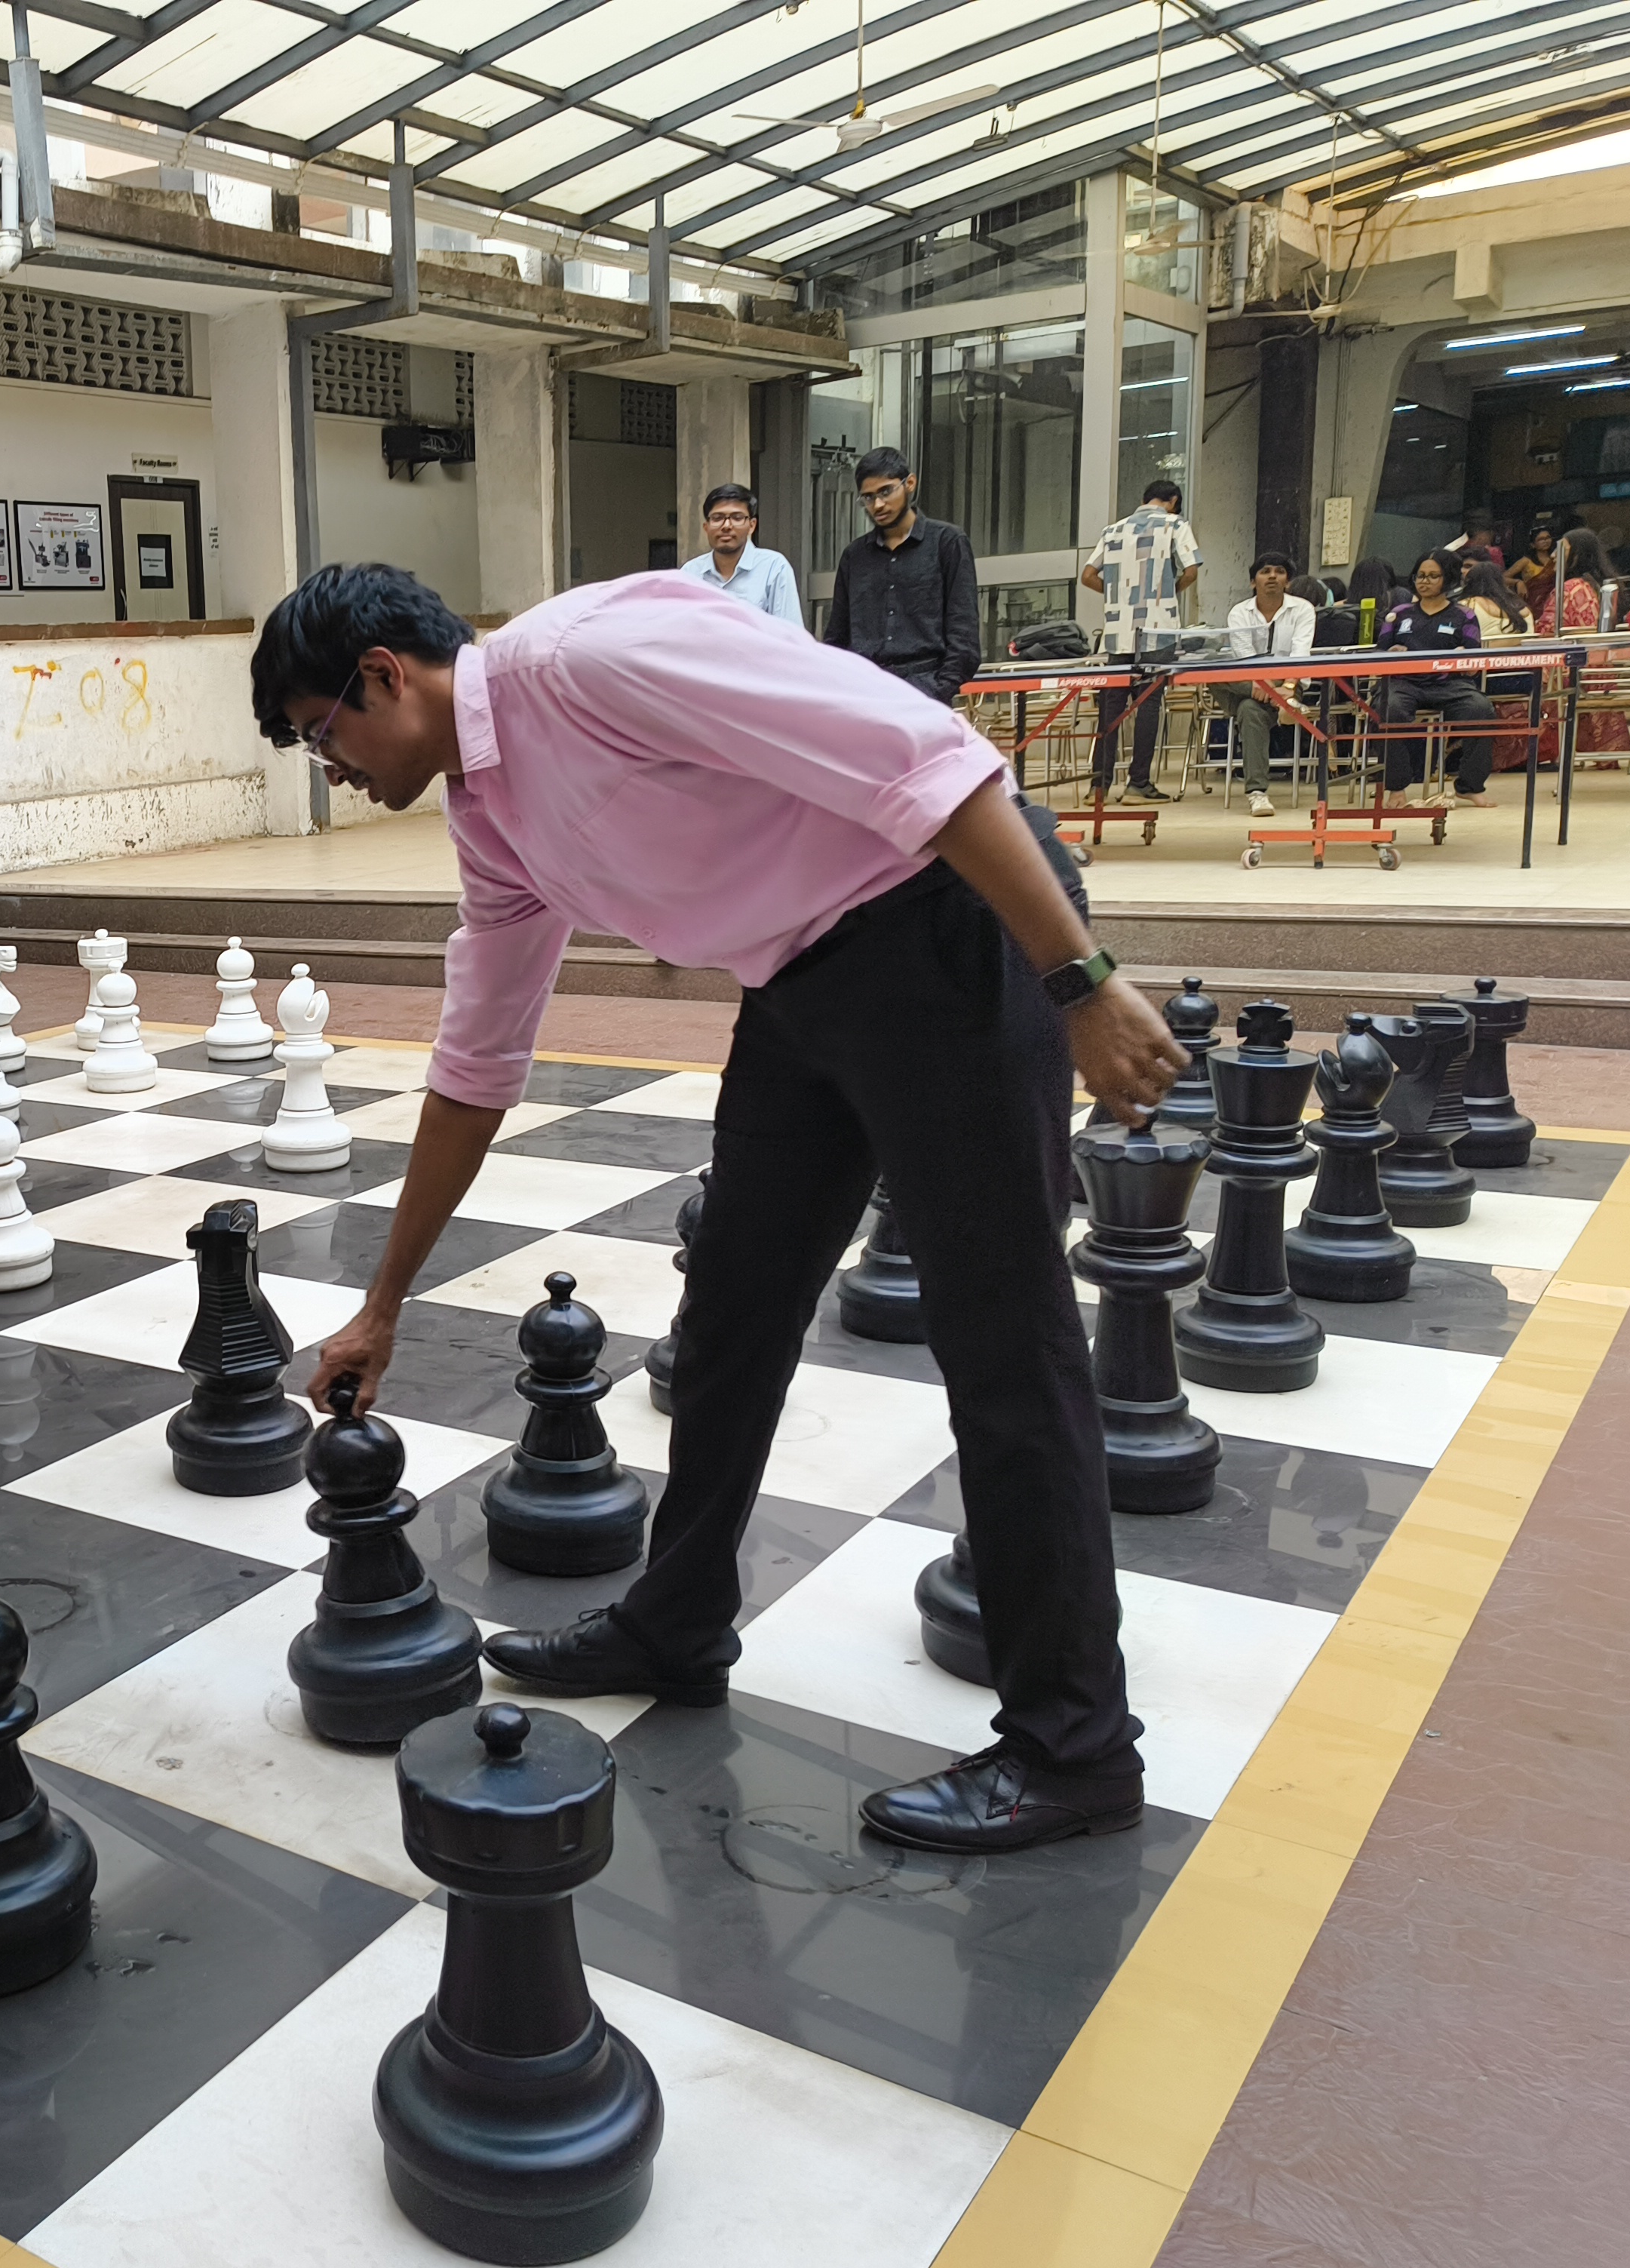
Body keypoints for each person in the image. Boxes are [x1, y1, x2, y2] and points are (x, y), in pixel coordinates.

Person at [253, 562, 1182, 1856]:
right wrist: (383, 1305)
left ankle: (1076, 1746)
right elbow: (477, 1063)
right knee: (733, 1314)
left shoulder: (586, 660)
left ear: (381, 676)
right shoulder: (490, 814)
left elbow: (930, 760)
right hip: (801, 979)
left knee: (1003, 1341)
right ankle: (677, 1623)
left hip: (951, 925)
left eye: (322, 735)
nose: (333, 770)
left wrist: (1078, 981)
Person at [823, 447, 981, 702]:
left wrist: (939, 690)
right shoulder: (854, 556)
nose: (878, 505)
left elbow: (964, 633)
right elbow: (836, 638)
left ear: (910, 484)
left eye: (886, 491)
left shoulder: (947, 543)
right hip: (864, 693)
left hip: (925, 689)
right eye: (868, 497)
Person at [1078, 479, 1201, 804]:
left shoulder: (1112, 531)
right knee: (1148, 705)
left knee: (1111, 708)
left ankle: (1098, 786)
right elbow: (1191, 570)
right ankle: (1139, 784)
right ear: (1173, 500)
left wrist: (1118, 597)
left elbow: (1088, 576)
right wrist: (1168, 593)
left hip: (1118, 632)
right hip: (1158, 630)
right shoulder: (1175, 525)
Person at [1374, 551, 1499, 804]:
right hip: (1404, 683)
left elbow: (1474, 662)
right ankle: (1396, 787)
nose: (1425, 581)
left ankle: (1470, 786)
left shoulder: (1464, 615)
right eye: (1420, 576)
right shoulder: (1398, 614)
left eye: (1433, 576)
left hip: (1451, 684)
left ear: (1448, 579)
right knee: (1388, 708)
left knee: (1481, 709)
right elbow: (1379, 652)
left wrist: (1466, 659)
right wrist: (1390, 653)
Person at [1215, 551, 1315, 816]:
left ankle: (1257, 793)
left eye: (1280, 572)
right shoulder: (1239, 612)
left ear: (1288, 582)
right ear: (1253, 582)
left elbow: (1300, 653)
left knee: (1249, 710)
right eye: (1265, 571)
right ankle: (1286, 705)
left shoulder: (1303, 609)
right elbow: (1245, 658)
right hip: (1249, 681)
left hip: (1288, 680)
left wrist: (1289, 687)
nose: (1272, 576)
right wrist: (1267, 689)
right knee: (1212, 673)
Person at [1542, 527, 1630, 763]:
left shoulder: (1571, 589)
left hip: (1574, 671)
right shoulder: (1598, 586)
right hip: (1600, 670)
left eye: (1561, 550)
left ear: (1577, 555)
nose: (1553, 555)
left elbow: (1548, 633)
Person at [1459, 556, 1539, 779]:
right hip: (1525, 680)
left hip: (1485, 681)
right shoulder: (1524, 609)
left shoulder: (1468, 606)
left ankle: (1452, 757)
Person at [680, 483, 802, 623]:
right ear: (706, 527)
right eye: (717, 518)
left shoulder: (774, 568)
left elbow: (790, 631)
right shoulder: (690, 573)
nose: (726, 526)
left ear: (752, 525)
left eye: (737, 518)